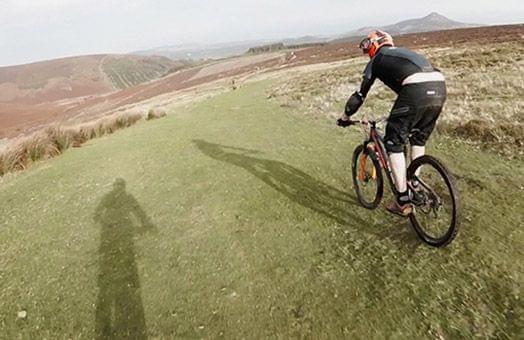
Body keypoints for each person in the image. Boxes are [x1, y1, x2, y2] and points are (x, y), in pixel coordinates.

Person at [337, 30, 447, 217]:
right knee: (417, 140)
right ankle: (414, 182)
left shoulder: (378, 59)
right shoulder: (401, 53)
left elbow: (359, 96)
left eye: (367, 46)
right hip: (439, 86)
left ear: (374, 44)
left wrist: (345, 117)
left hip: (416, 89)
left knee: (393, 143)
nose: (367, 52)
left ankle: (402, 201)